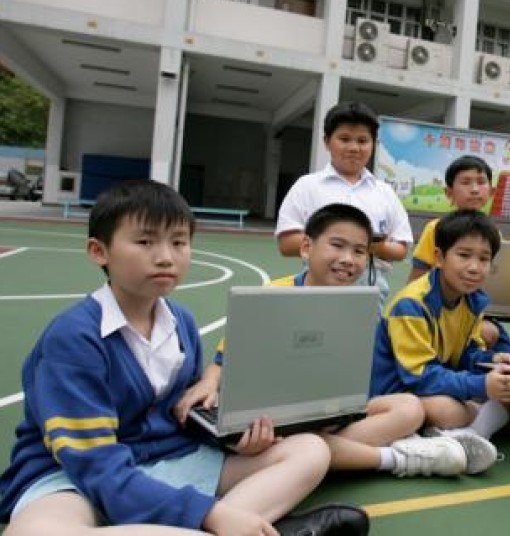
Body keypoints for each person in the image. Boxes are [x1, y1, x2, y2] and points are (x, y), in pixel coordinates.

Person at [0, 180, 366, 536]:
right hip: (72, 478)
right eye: (145, 242)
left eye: (179, 242)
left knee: (311, 450)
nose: (165, 257)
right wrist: (211, 513)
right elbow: (95, 466)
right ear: (99, 251)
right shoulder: (74, 338)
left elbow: (183, 415)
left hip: (170, 460)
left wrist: (232, 437)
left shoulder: (181, 321)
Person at [176, 203, 476, 478]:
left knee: (410, 408)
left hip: (329, 415)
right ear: (306, 247)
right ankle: (393, 456)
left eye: (360, 251)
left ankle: (328, 452)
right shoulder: (272, 296)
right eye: (337, 245)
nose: (348, 260)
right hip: (270, 421)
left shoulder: (361, 306)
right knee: (293, 442)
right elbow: (223, 359)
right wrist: (208, 382)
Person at [371, 210, 510, 474]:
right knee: (450, 411)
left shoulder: (472, 299)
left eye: (484, 258)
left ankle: (469, 435)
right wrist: (482, 384)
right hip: (397, 391)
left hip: (436, 381)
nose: (474, 267)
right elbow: (419, 376)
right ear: (439, 257)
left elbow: (465, 353)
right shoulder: (410, 304)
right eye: (464, 255)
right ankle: (469, 432)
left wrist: (493, 361)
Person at [275, 101, 412, 297]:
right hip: (317, 284)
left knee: (366, 329)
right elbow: (286, 243)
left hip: (370, 288)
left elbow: (401, 249)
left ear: (373, 144)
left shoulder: (385, 193)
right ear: (327, 141)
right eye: (345, 139)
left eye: (363, 141)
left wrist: (374, 246)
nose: (354, 148)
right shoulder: (307, 186)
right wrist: (343, 245)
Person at [408, 155, 493, 283]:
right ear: (449, 193)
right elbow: (418, 274)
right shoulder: (435, 228)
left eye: (481, 182)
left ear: (491, 191)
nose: (475, 189)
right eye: (465, 182)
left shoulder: (493, 232)